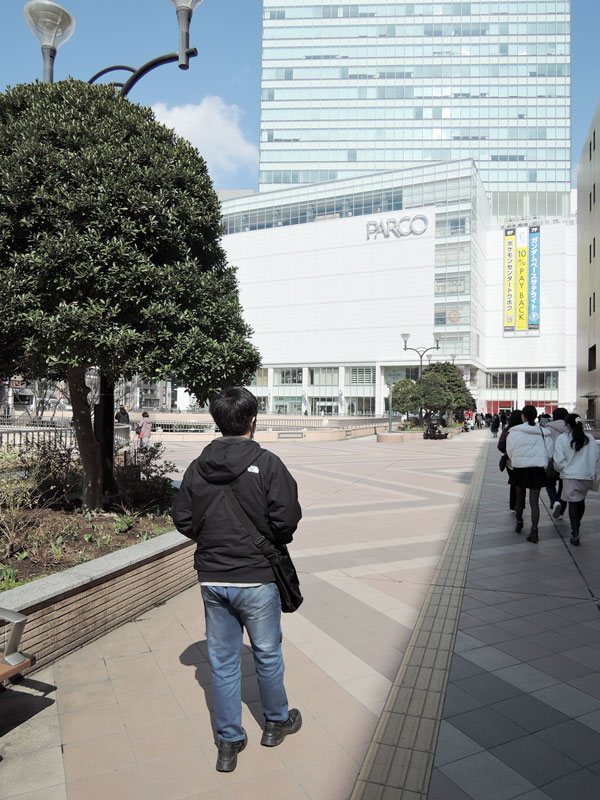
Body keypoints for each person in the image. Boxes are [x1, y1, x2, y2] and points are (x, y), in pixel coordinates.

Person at [172, 387, 302, 773]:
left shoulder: (198, 466)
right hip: (257, 577)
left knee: (223, 662)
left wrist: (212, 537)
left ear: (217, 421)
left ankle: (228, 741)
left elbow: (183, 518)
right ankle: (276, 722)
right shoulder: (268, 463)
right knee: (267, 652)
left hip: (213, 578)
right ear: (252, 420)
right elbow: (286, 519)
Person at [506, 405, 553, 543]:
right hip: (537, 470)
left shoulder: (514, 432)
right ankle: (534, 530)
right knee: (534, 502)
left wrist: (517, 460)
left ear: (523, 416)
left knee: (519, 498)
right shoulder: (543, 433)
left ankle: (519, 522)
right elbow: (549, 453)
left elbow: (510, 452)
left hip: (520, 469)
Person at [553, 413, 600, 546]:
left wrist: (563, 469)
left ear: (567, 425)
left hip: (570, 476)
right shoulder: (589, 438)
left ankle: (575, 531)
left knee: (573, 503)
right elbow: (596, 456)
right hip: (586, 475)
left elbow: (558, 460)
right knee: (581, 500)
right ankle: (577, 524)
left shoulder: (562, 438)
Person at [544, 407, 569, 519]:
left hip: (552, 460)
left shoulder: (548, 428)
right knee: (563, 487)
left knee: (550, 484)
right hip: (567, 461)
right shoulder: (570, 427)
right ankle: (561, 510)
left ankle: (555, 502)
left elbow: (545, 446)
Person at [497, 409, 523, 512]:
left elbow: (500, 446)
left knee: (514, 482)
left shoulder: (507, 430)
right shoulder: (526, 430)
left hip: (510, 461)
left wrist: (507, 451)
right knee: (521, 483)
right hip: (524, 461)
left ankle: (514, 504)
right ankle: (520, 505)